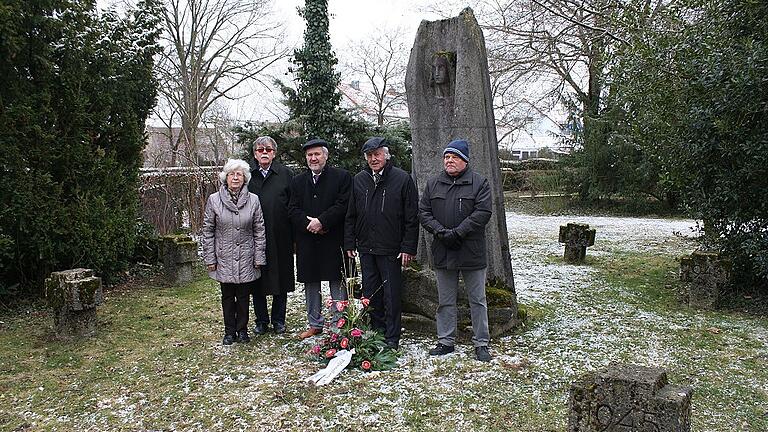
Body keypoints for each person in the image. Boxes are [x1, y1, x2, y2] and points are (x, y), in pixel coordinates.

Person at [418, 139, 493, 362]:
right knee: (445, 300)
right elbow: (424, 212)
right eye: (446, 157)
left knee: (477, 300)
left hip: (471, 250)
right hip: (443, 249)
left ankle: (481, 343)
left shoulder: (479, 183)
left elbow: (482, 213)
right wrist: (441, 232)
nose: (449, 161)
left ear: (465, 161)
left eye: (455, 157)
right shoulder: (433, 184)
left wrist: (458, 232)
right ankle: (446, 341)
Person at [344, 137, 419, 350]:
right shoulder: (359, 180)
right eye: (369, 156)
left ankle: (392, 336)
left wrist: (407, 247)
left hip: (391, 248)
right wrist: (350, 242)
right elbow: (351, 214)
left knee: (392, 294)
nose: (373, 159)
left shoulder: (402, 179)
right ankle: (376, 331)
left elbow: (412, 217)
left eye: (377, 154)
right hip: (366, 246)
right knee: (370, 292)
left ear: (386, 155)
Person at [288, 138, 352, 339]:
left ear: (326, 155)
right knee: (311, 282)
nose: (313, 158)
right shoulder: (297, 181)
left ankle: (338, 323)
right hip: (308, 240)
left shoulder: (341, 177)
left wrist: (322, 221)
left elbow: (344, 205)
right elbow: (291, 208)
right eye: (309, 155)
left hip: (333, 239)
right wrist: (309, 224)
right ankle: (315, 323)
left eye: (317, 154)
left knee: (336, 281)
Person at [202, 159, 267, 345]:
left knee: (244, 296)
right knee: (228, 296)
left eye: (239, 174)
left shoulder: (254, 200)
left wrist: (259, 257)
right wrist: (210, 258)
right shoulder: (214, 200)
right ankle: (229, 332)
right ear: (226, 178)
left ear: (245, 178)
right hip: (224, 256)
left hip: (247, 256)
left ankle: (243, 330)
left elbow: (259, 230)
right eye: (232, 174)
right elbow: (208, 231)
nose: (236, 177)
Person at [247, 136, 294, 335]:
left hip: (281, 234)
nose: (264, 152)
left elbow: (293, 204)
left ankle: (279, 319)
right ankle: (261, 320)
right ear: (255, 154)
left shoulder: (286, 174)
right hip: (253, 236)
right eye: (260, 150)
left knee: (281, 278)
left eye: (268, 149)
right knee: (257, 279)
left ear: (274, 153)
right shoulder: (247, 175)